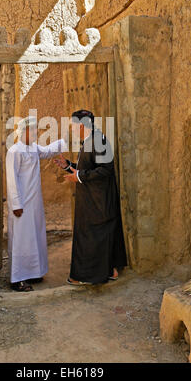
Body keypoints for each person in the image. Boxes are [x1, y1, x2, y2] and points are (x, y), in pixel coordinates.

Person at [54, 109, 127, 285]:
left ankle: (81, 277)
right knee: (96, 237)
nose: (71, 128)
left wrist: (78, 177)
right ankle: (111, 270)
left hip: (98, 202)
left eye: (73, 125)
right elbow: (87, 167)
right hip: (92, 200)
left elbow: (105, 169)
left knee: (90, 237)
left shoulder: (98, 141)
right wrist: (68, 166)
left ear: (81, 126)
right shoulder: (90, 140)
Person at [6, 116, 67, 292]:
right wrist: (16, 204)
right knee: (21, 240)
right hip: (21, 206)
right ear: (23, 131)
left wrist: (65, 140)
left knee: (34, 238)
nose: (35, 133)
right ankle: (17, 279)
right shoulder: (15, 151)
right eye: (32, 131)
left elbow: (48, 151)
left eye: (35, 130)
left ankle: (33, 273)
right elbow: (12, 180)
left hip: (34, 204)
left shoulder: (32, 148)